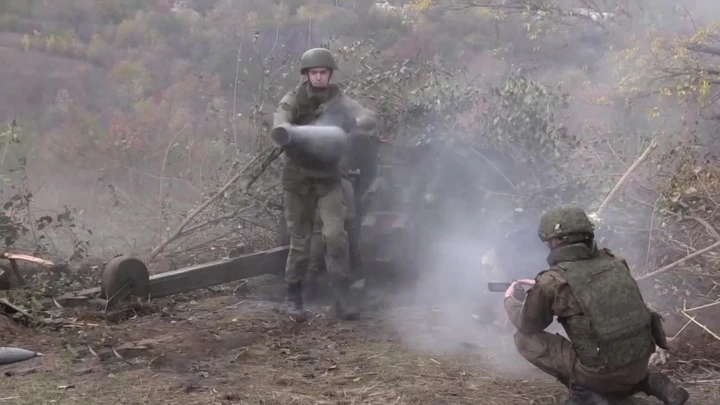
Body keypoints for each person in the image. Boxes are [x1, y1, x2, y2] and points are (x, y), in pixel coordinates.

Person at [503, 206, 689, 405]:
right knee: (612, 350)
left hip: (601, 374)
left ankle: (586, 394)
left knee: (524, 339)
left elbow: (528, 324)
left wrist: (509, 300)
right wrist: (542, 289)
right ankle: (647, 381)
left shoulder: (553, 281)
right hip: (640, 362)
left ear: (556, 241)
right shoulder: (615, 262)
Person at [272, 47, 378, 322]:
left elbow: (365, 114)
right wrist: (286, 130)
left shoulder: (338, 98)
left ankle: (341, 298)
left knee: (335, 237)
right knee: (300, 243)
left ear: (329, 74)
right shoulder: (293, 99)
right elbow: (280, 120)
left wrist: (362, 120)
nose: (319, 77)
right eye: (314, 72)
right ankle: (293, 297)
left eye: (323, 72)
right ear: (306, 74)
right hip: (299, 180)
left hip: (329, 178)